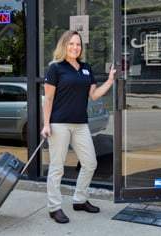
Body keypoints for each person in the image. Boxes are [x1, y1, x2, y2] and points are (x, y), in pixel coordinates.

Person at [41, 30, 116, 224]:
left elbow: (94, 95)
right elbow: (48, 98)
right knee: (57, 167)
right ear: (64, 45)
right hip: (59, 124)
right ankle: (54, 207)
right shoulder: (56, 68)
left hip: (81, 124)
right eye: (72, 44)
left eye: (78, 44)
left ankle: (80, 200)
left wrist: (109, 81)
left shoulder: (86, 68)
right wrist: (46, 124)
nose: (75, 47)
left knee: (90, 162)